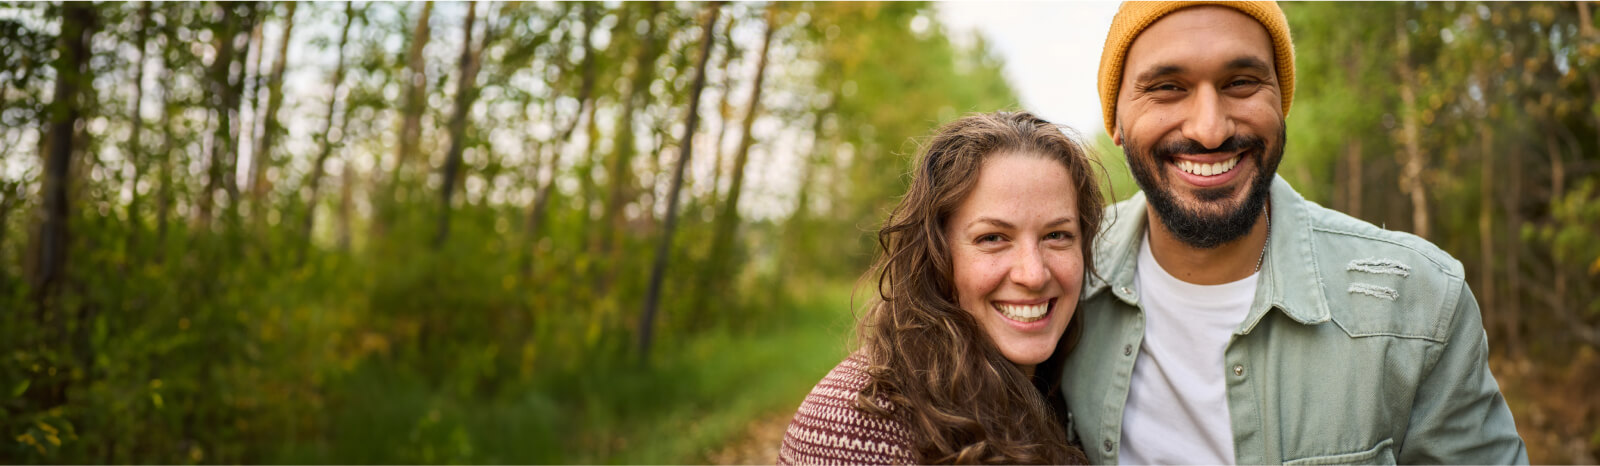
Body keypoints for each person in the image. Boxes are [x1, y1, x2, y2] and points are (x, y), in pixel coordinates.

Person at [1061, 2, 1528, 464]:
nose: (1209, 129)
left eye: (1241, 82)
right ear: (1115, 120)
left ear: (1280, 103)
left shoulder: (1419, 301)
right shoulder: (1058, 277)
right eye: (1166, 87)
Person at [777, 112, 1104, 465]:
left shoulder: (1076, 388)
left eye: (1057, 235)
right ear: (936, 253)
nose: (1034, 274)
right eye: (992, 238)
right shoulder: (855, 427)